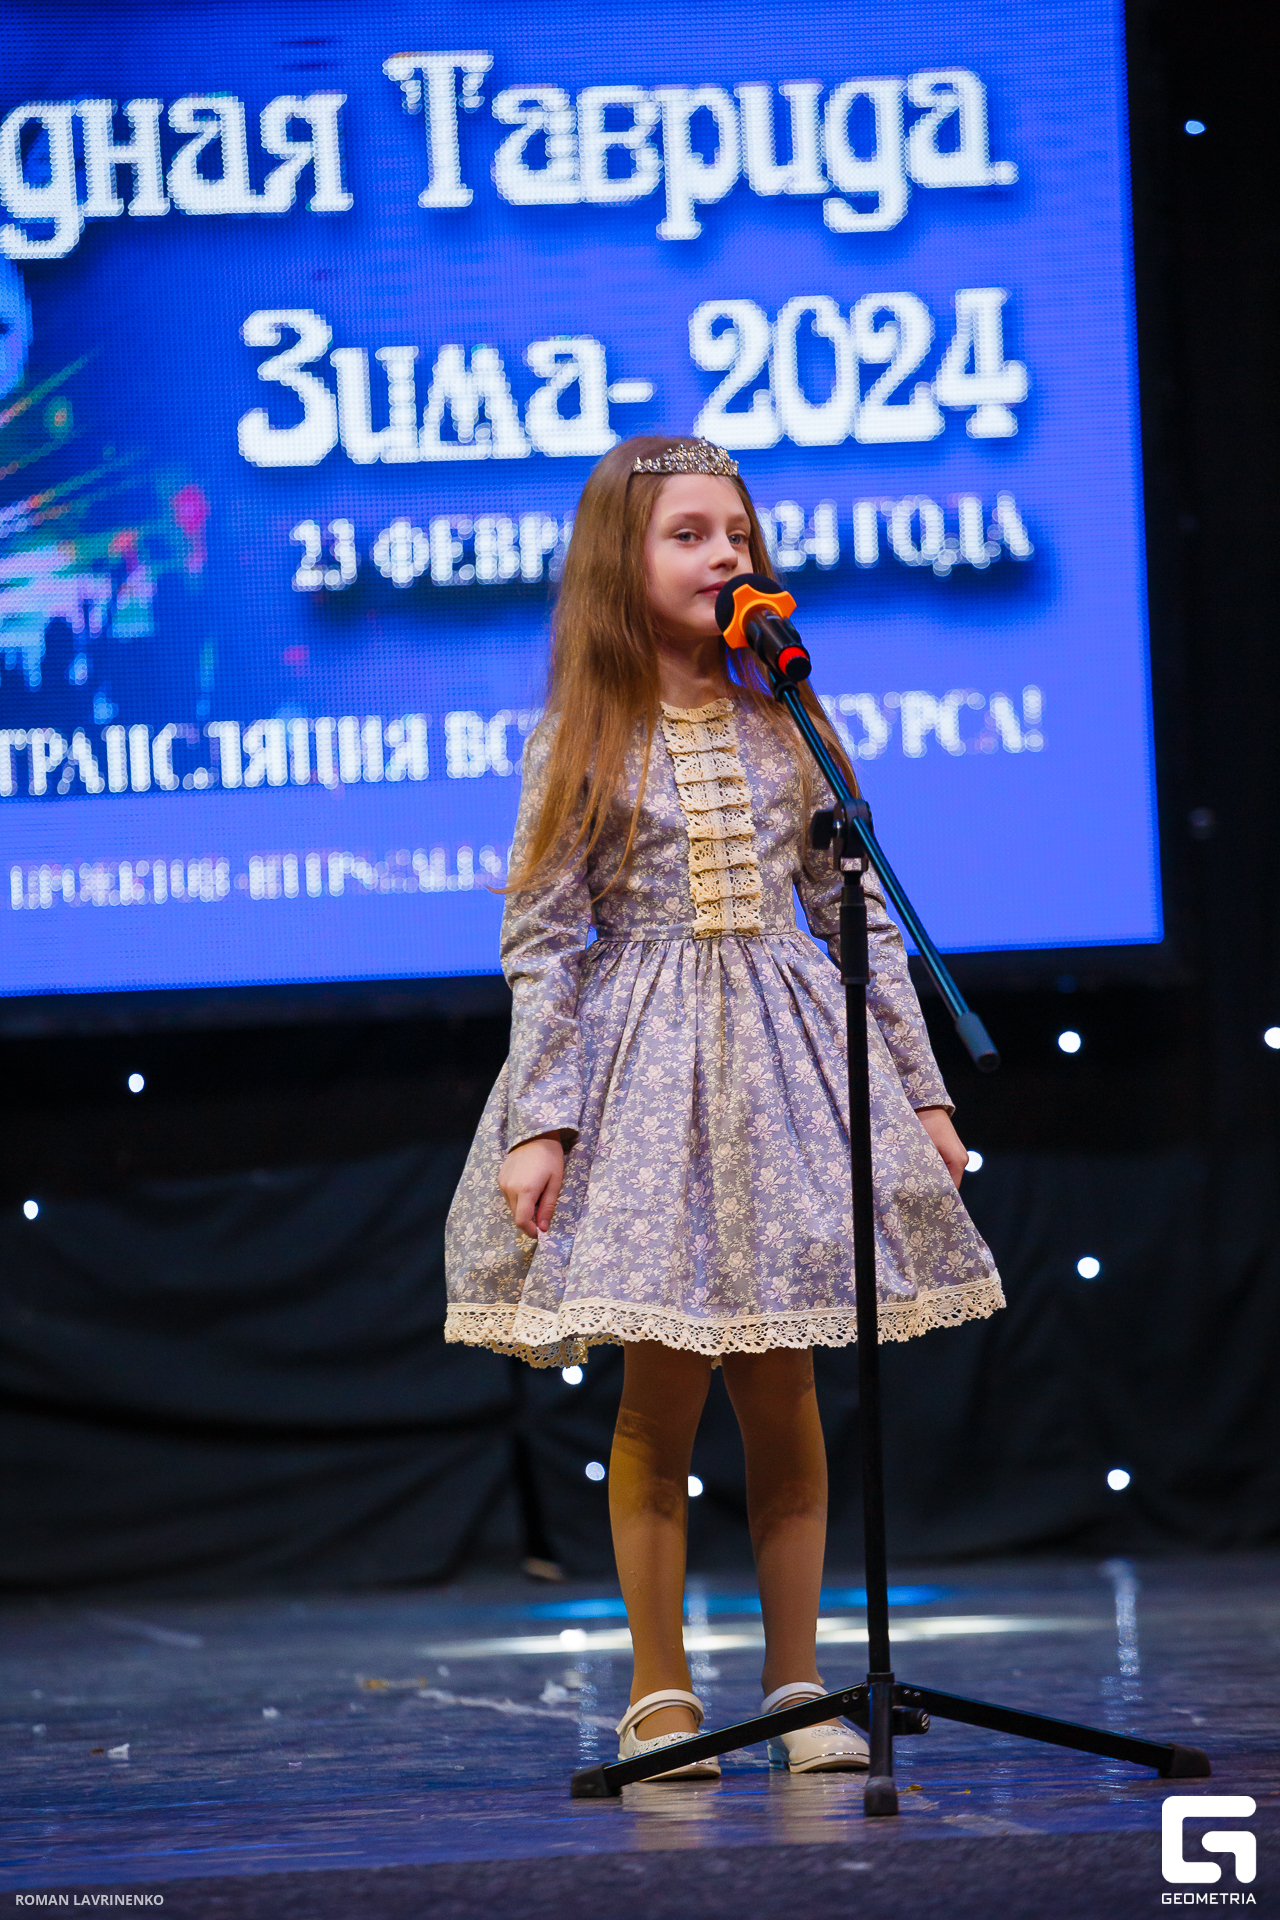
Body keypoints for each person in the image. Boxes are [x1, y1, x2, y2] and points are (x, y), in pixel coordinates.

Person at [445, 435, 1004, 1779]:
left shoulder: (789, 725)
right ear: (620, 564)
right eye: (689, 535)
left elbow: (858, 920)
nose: (723, 557)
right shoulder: (582, 737)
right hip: (644, 1083)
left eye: (736, 534)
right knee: (661, 1391)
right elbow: (544, 940)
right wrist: (541, 1119)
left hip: (786, 1077)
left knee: (787, 1384)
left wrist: (921, 1098)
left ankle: (798, 1682)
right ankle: (660, 1692)